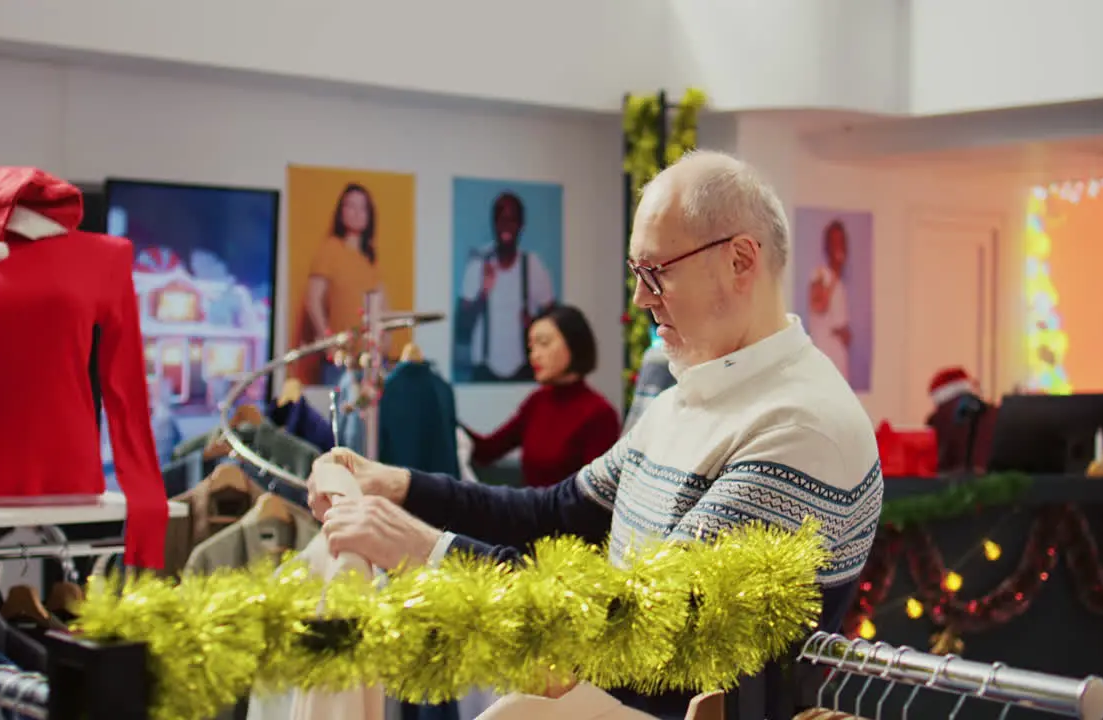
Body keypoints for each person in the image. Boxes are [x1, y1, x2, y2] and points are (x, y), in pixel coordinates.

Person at [312, 151, 882, 719]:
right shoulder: (689, 397)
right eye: (637, 274)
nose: (640, 298)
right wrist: (399, 486)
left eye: (657, 271)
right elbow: (558, 513)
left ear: (740, 260)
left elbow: (635, 624)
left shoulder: (799, 428)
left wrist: (421, 547)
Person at [466, 304, 620, 488]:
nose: (534, 356)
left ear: (574, 344)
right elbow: (486, 452)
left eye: (544, 343)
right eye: (531, 347)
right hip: (529, 514)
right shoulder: (537, 402)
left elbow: (596, 495)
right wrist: (442, 411)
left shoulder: (600, 414)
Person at [455, 191, 556, 382]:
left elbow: (554, 317)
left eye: (512, 219)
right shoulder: (478, 265)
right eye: (501, 219)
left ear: (521, 225)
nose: (506, 225)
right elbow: (461, 328)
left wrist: (535, 322)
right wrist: (483, 293)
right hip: (484, 372)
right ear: (494, 223)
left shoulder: (533, 265)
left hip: (525, 371)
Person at [294, 183, 382, 387]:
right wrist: (329, 343)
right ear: (341, 212)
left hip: (369, 360)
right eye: (350, 206)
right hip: (340, 360)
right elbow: (312, 299)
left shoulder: (369, 260)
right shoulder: (330, 249)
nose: (356, 212)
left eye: (362, 208)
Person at [806, 220, 852, 383]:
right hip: (824, 352)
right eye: (834, 242)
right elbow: (819, 305)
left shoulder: (839, 282)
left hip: (839, 355)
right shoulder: (819, 274)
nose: (838, 247)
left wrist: (845, 334)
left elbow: (838, 321)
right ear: (827, 246)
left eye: (841, 242)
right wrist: (836, 272)